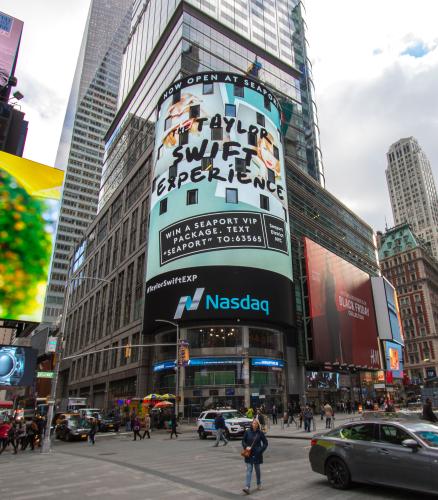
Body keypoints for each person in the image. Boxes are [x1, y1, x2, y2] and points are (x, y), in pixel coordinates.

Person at [241, 419, 268, 495]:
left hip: (257, 454)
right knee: (249, 470)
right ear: (251, 424)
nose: (254, 424)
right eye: (253, 423)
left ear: (258, 425)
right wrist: (246, 447)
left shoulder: (260, 433)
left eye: (256, 423)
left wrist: (260, 450)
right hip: (249, 454)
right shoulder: (247, 432)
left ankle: (259, 484)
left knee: (257, 470)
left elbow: (265, 443)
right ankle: (247, 487)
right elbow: (243, 441)